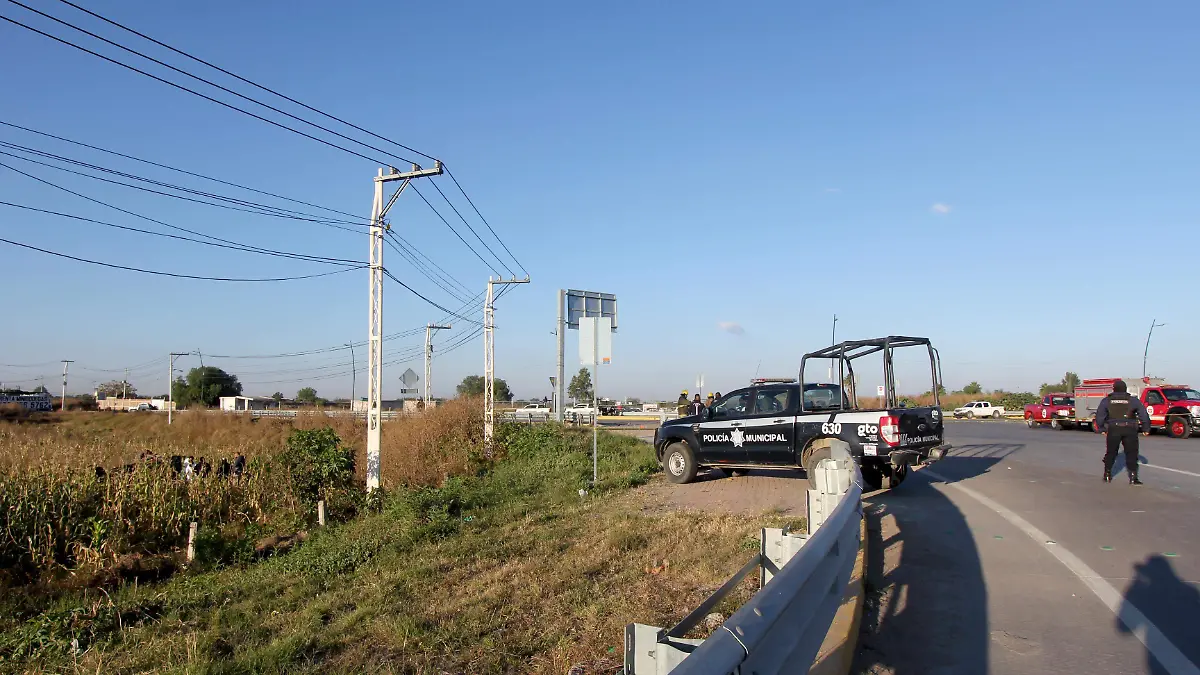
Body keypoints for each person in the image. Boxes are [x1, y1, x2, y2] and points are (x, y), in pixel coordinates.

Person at [1095, 379, 1151, 484]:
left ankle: (1107, 474)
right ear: (1125, 389)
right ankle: (1133, 477)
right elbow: (1143, 415)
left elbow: (1100, 415)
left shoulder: (1107, 400)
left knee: (1111, 452)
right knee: (1132, 453)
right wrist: (1146, 429)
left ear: (1114, 389)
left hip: (1114, 429)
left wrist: (1102, 428)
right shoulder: (1132, 400)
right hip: (1130, 429)